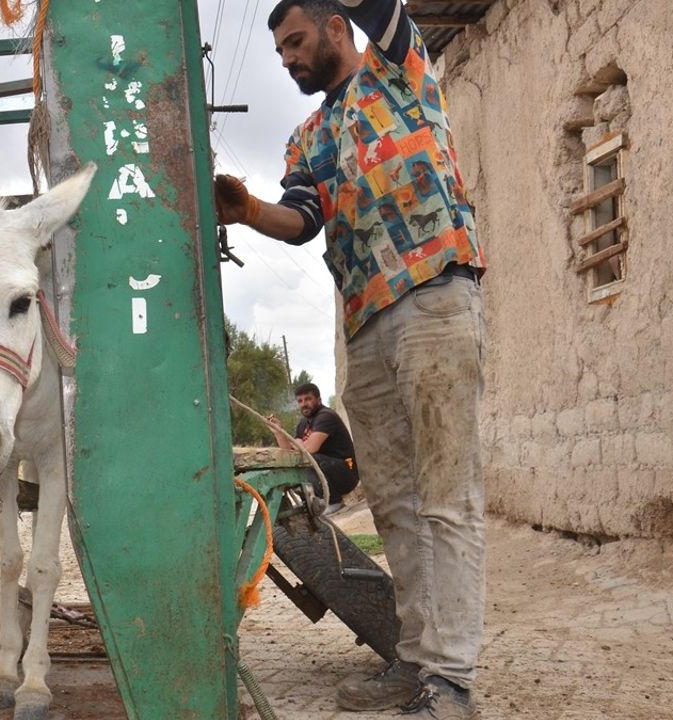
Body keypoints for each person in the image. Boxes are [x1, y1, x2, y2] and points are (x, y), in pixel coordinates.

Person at [214, 0, 487, 718]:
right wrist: (244, 209)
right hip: (364, 324)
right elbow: (301, 221)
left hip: (434, 294)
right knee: (396, 503)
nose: (287, 59)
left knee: (447, 495)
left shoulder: (401, 70)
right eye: (280, 52)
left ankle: (451, 681)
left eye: (297, 42)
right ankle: (417, 660)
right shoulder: (309, 135)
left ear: (338, 27)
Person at [269, 382, 358, 513]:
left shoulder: (326, 416)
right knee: (291, 463)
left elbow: (310, 449)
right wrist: (278, 431)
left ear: (319, 399)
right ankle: (313, 502)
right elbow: (289, 452)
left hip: (346, 473)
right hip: (326, 471)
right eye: (300, 401)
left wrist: (298, 442)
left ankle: (334, 502)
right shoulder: (303, 423)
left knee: (309, 459)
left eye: (308, 399)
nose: (303, 403)